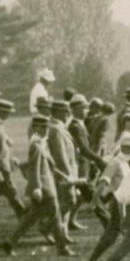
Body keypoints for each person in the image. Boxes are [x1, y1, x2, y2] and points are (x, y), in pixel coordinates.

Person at [3, 114, 72, 255]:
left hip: (44, 187)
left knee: (30, 219)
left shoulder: (40, 144)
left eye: (46, 127)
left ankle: (10, 242)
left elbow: (43, 165)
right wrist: (37, 188)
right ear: (35, 128)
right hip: (45, 189)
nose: (46, 130)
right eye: (42, 127)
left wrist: (60, 175)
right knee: (55, 216)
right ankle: (62, 248)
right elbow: (35, 168)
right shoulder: (36, 145)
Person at [46, 99, 85, 232]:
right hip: (64, 172)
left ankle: (63, 233)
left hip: (67, 170)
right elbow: (60, 154)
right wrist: (68, 175)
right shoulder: (56, 128)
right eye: (66, 112)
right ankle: (47, 226)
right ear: (58, 112)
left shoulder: (58, 126)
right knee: (69, 201)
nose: (68, 114)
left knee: (69, 200)